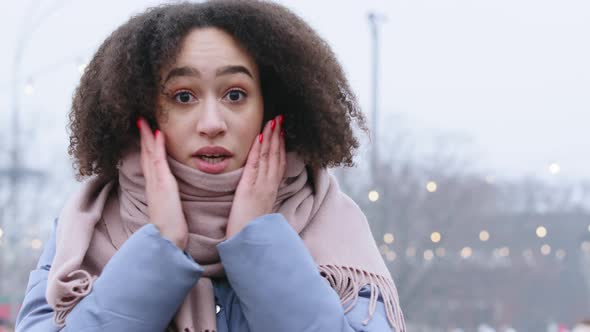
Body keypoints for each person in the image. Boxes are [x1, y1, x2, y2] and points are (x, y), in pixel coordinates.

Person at [15, 1, 405, 331]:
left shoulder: (328, 218)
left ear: (270, 106)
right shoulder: (89, 223)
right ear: (146, 110)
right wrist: (160, 246)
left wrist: (258, 242)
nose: (212, 123)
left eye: (235, 94)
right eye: (183, 97)